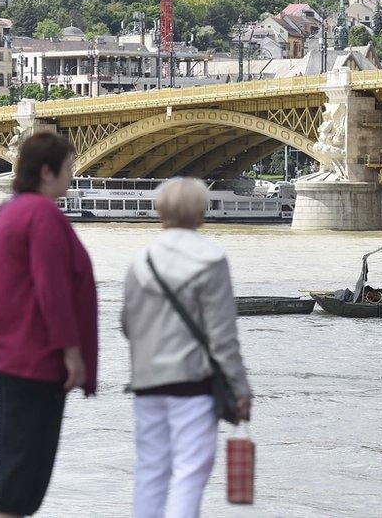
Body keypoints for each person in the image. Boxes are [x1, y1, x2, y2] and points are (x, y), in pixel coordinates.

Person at [0, 132, 98, 518]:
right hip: (36, 357)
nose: (72, 176)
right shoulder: (43, 217)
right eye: (68, 168)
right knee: (28, 464)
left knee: (13, 453)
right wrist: (72, 353)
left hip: (4, 351)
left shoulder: (6, 213)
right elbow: (52, 291)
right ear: (47, 171)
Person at [121, 177, 252, 518]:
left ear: (159, 212)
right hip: (193, 385)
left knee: (150, 471)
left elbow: (126, 325)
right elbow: (223, 336)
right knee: (189, 474)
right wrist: (240, 388)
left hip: (147, 384)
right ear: (201, 214)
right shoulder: (211, 259)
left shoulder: (141, 261)